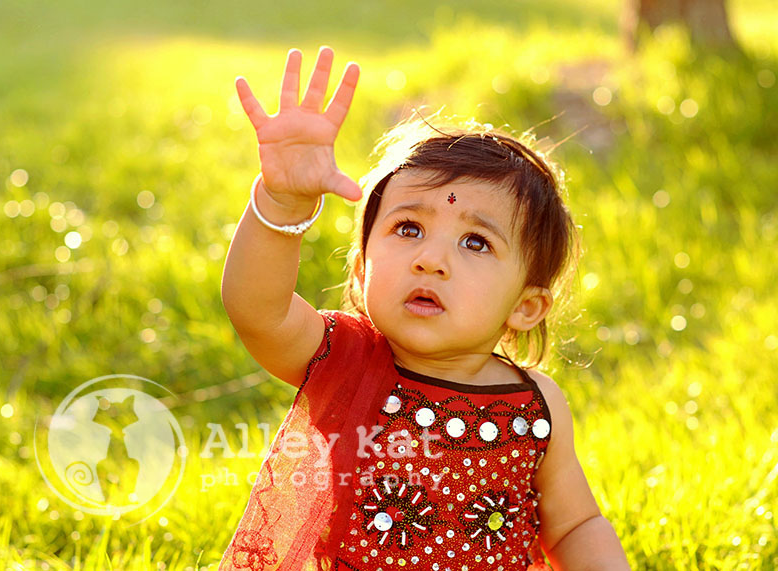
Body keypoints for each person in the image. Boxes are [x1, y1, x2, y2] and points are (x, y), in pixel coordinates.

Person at [218, 46, 629, 571]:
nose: (430, 260)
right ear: (364, 268)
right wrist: (281, 203)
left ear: (526, 307)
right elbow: (256, 308)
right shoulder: (340, 361)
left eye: (476, 243)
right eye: (408, 229)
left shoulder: (534, 404)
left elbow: (575, 526)